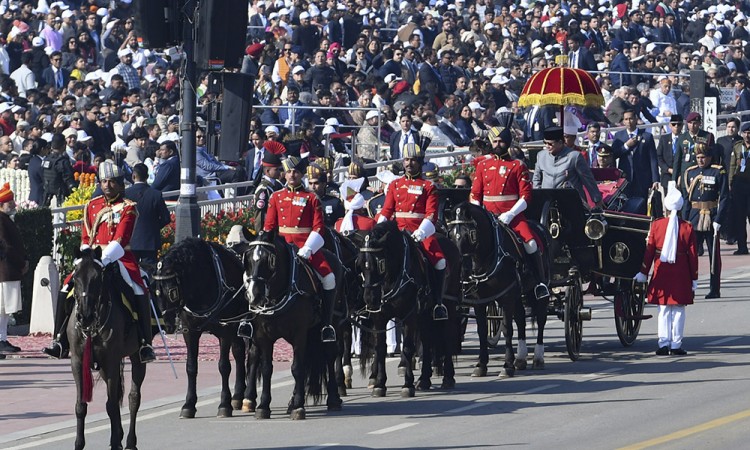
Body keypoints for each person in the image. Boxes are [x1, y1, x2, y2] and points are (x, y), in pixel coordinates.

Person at [43, 162, 155, 362]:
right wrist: (87, 257)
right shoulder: (92, 206)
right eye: (104, 181)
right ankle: (59, 340)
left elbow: (121, 239)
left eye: (112, 182)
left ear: (120, 185)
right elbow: (86, 238)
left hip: (119, 256)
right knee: (66, 287)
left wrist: (102, 261)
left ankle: (145, 343)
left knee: (139, 290)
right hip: (91, 257)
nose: (107, 185)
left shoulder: (128, 208)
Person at [258, 156, 337, 342]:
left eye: (296, 172)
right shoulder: (276, 197)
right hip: (281, 247)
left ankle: (326, 324)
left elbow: (319, 227)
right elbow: (269, 226)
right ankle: (251, 319)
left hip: (305, 246)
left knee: (329, 278)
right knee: (256, 273)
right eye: (288, 172)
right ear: (284, 174)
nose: (292, 175)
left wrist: (309, 248)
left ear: (301, 174)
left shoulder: (311, 198)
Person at [470, 126, 549, 300]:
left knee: (531, 244)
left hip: (512, 217)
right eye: (495, 141)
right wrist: (479, 213)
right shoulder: (483, 165)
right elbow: (475, 194)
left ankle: (539, 283)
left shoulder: (517, 165)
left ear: (508, 143)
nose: (498, 144)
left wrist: (510, 214)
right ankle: (469, 281)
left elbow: (525, 196)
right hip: (488, 217)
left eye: (501, 141)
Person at [378, 143, 448, 320]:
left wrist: (420, 233)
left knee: (439, 262)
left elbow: (431, 214)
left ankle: (438, 302)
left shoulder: (428, 186)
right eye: (406, 160)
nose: (409, 164)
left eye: (413, 160)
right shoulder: (395, 185)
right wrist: (377, 229)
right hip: (398, 231)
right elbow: (386, 211)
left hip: (420, 231)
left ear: (420, 162)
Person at [634, 181, 698, 356]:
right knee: (678, 310)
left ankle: (663, 343)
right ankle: (676, 344)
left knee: (663, 309)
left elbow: (649, 252)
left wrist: (643, 272)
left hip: (661, 270)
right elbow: (693, 256)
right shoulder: (687, 227)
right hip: (681, 272)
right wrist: (694, 278)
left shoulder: (656, 225)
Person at [683, 145, 728, 298]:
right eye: (698, 157)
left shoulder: (718, 171)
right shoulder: (691, 172)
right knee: (690, 255)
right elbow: (687, 199)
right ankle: (689, 287)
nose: (701, 160)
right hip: (695, 217)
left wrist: (719, 219)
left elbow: (724, 197)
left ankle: (714, 289)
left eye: (703, 157)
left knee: (714, 255)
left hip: (712, 216)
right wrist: (685, 220)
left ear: (709, 157)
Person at [533, 126, 603, 208]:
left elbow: (588, 180)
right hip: (547, 202)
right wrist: (538, 197)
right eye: (545, 143)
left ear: (560, 142)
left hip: (570, 202)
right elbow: (536, 179)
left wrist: (597, 200)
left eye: (550, 144)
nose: (547, 146)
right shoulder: (541, 156)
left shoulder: (574, 156)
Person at [124, 163, 171, 271]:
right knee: (150, 271)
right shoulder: (156, 194)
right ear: (147, 176)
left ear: (133, 176)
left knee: (131, 271)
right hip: (150, 241)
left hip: (130, 240)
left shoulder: (125, 194)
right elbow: (166, 218)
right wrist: (153, 227)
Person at [0, 183, 28, 354]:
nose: (13, 204)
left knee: (4, 309)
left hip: (8, 270)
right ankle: (1, 339)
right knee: (2, 308)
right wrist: (21, 263)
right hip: (5, 270)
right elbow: (5, 245)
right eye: (9, 201)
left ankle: (2, 338)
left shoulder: (4, 218)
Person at [612, 109, 659, 203]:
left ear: (636, 119)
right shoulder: (619, 136)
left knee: (642, 205)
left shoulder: (647, 136)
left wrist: (655, 179)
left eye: (631, 118)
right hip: (625, 179)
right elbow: (614, 155)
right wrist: (626, 146)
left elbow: (653, 159)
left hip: (643, 178)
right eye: (626, 119)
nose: (628, 122)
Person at [673, 112, 715, 185]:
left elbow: (712, 157)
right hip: (686, 175)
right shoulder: (682, 137)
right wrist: (674, 179)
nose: (692, 126)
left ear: (699, 123)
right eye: (690, 123)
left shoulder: (707, 136)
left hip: (701, 174)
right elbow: (677, 160)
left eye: (695, 123)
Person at [729, 123, 750, 255]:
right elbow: (732, 166)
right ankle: (742, 246)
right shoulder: (737, 147)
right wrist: (730, 183)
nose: (747, 135)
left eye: (749, 132)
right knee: (739, 217)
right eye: (745, 132)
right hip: (739, 184)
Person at [250, 152, 283, 232]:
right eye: (276, 170)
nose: (279, 172)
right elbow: (260, 216)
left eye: (280, 169)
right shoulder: (263, 190)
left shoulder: (277, 184)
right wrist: (261, 233)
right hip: (268, 231)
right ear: (267, 171)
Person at [41, 133, 77, 207]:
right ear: (64, 145)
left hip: (47, 196)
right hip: (61, 198)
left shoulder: (46, 159)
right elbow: (69, 180)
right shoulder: (62, 161)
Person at [656, 114, 684, 190]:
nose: (676, 126)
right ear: (670, 125)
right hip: (667, 175)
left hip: (682, 176)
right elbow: (658, 157)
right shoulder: (664, 139)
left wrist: (680, 173)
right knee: (668, 200)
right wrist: (668, 169)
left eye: (679, 124)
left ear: (682, 126)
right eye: (674, 124)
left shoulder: (685, 139)